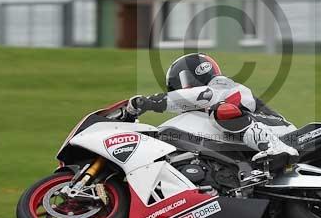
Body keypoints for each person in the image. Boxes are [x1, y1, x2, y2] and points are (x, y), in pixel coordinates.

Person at [125, 53, 299, 169]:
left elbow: (198, 96)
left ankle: (275, 148)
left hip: (278, 131)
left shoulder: (219, 85)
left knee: (221, 111)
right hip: (250, 135)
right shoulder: (207, 104)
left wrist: (149, 103)